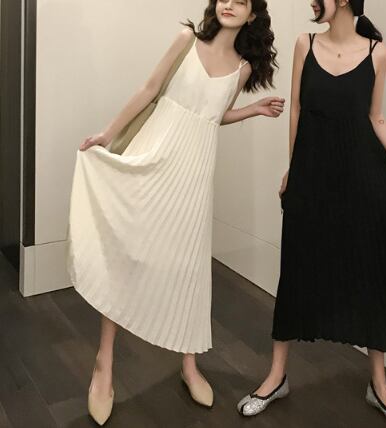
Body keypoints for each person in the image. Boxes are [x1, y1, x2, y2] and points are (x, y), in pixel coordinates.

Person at [236, 1, 386, 427]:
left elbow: (376, 117)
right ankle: (276, 377)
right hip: (312, 175)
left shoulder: (378, 52)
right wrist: (294, 169)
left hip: (361, 176)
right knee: (296, 270)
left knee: (369, 271)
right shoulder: (305, 44)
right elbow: (297, 110)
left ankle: (379, 385)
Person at [66, 0, 284, 425]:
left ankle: (188, 364)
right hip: (155, 155)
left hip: (195, 173)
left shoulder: (242, 69)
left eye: (241, 1)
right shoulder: (187, 40)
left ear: (252, 15)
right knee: (129, 253)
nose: (229, 4)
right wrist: (108, 134)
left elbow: (212, 115)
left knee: (188, 265)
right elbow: (149, 90)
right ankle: (104, 364)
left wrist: (253, 109)